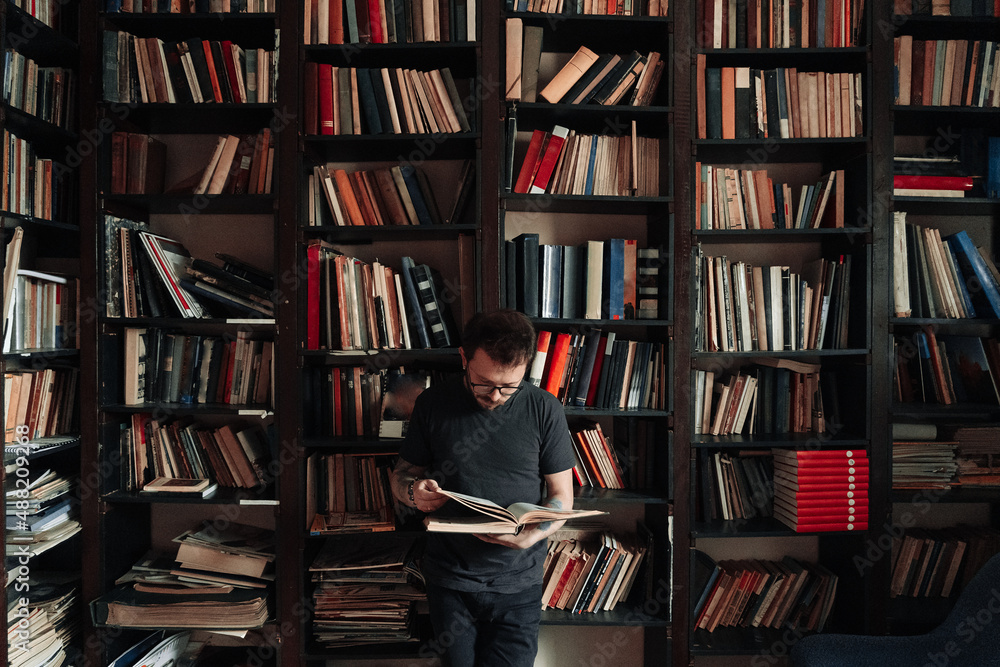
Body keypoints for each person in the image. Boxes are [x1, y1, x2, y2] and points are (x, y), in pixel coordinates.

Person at [390, 309, 576, 667]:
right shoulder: (432, 404)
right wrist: (413, 492)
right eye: (485, 383)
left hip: (519, 583)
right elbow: (400, 475)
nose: (496, 396)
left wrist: (536, 534)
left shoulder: (544, 408)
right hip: (450, 581)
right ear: (464, 357)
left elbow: (561, 497)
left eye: (510, 386)